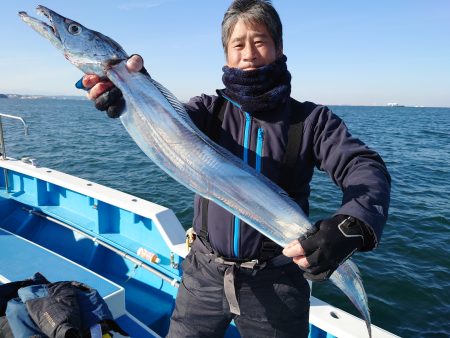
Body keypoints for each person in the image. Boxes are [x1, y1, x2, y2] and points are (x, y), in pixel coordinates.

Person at [78, 1, 391, 337]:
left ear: (279, 48)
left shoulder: (310, 121)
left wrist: (353, 222)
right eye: (237, 44)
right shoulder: (206, 112)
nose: (249, 53)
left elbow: (363, 165)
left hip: (277, 285)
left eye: (259, 41)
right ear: (226, 54)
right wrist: (130, 89)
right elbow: (167, 122)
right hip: (203, 275)